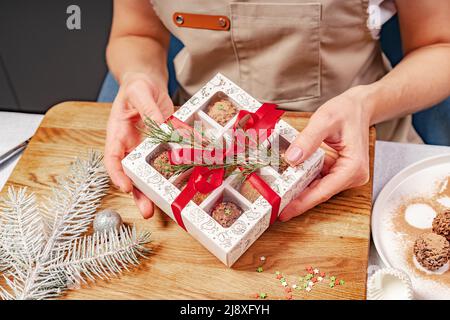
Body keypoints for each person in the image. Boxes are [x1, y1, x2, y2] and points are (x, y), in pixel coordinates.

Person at [104, 0, 450, 221]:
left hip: (354, 145)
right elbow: (136, 34)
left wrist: (368, 102)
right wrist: (139, 75)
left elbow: (440, 46)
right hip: (198, 145)